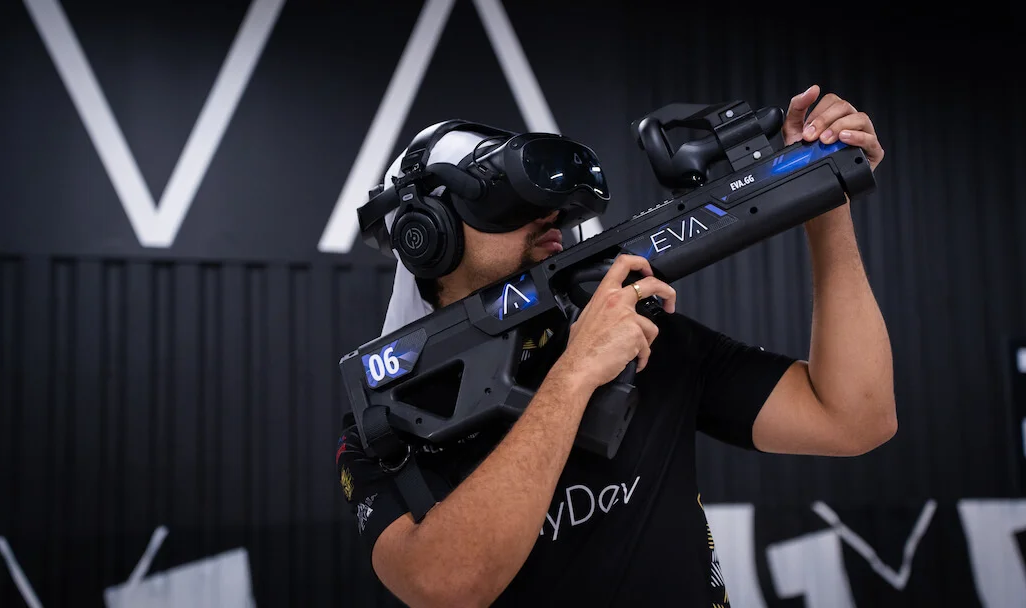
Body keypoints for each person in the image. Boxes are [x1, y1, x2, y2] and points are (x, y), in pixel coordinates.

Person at [335, 85, 896, 607]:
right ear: (427, 233)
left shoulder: (639, 336)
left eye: (553, 204)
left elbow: (854, 418)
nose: (548, 217)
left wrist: (822, 200)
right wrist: (575, 373)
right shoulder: (385, 424)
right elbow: (446, 586)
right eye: (505, 203)